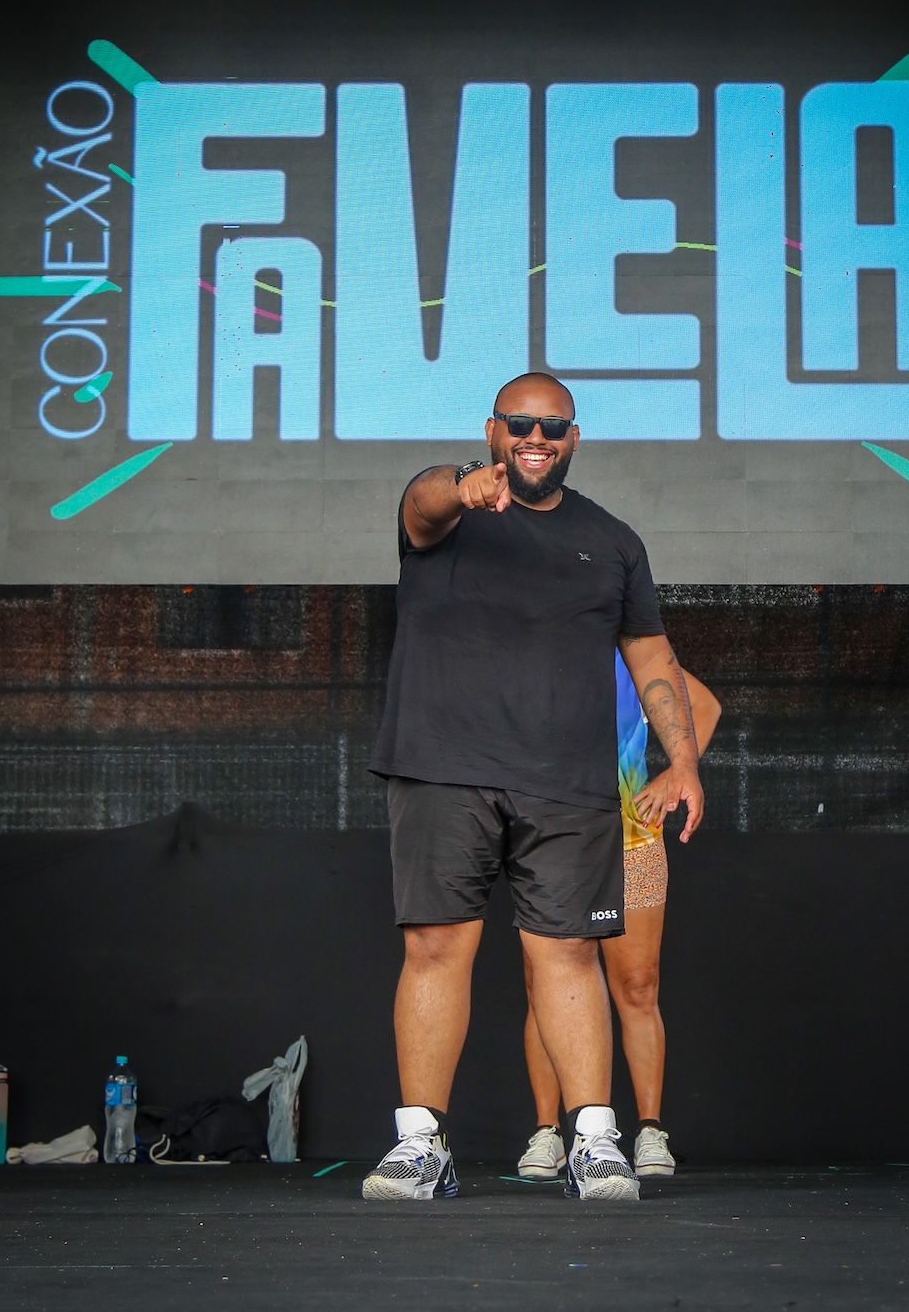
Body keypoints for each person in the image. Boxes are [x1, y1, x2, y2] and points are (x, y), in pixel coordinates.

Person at [362, 372, 704, 1203]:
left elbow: (651, 656)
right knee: (435, 946)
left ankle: (595, 1141)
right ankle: (420, 1144)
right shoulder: (445, 513)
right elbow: (421, 501)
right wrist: (461, 486)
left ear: (574, 438)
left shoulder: (612, 541)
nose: (535, 438)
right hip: (441, 763)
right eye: (520, 424)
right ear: (493, 430)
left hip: (567, 781)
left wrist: (684, 760)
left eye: (552, 426)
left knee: (569, 951)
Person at [517, 655, 721, 1182]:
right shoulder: (531, 645)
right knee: (545, 986)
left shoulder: (629, 653)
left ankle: (650, 1130)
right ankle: (548, 1132)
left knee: (638, 986)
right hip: (551, 841)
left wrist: (675, 775)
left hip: (631, 835)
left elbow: (704, 706)